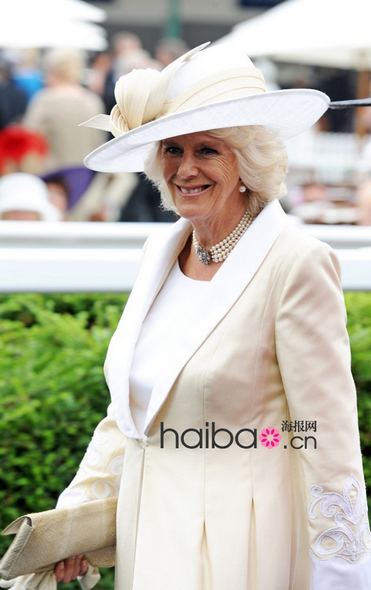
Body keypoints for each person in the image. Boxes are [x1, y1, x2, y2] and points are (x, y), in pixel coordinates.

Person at [7, 43, 371, 589]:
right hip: (145, 536)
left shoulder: (297, 262)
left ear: (247, 162)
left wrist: (340, 576)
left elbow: (322, 438)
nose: (186, 169)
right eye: (172, 150)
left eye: (208, 150)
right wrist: (77, 519)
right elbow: (128, 414)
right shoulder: (160, 251)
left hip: (241, 547)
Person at [22, 48, 105, 173]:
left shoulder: (45, 99)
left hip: (52, 175)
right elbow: (98, 142)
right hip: (84, 174)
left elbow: (28, 136)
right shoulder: (92, 100)